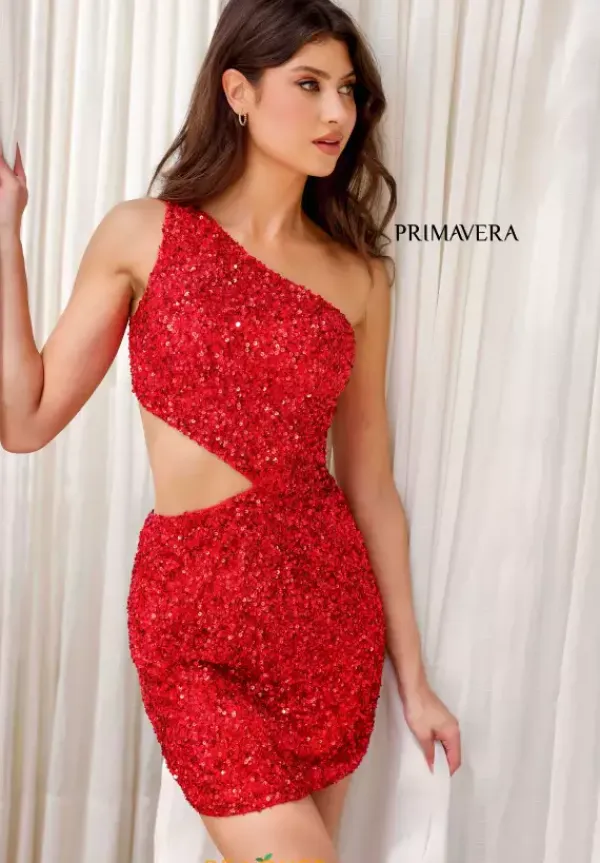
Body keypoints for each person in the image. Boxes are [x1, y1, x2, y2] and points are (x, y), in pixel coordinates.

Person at [0, 0, 461, 861]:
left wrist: (416, 681)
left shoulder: (359, 276)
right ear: (238, 92)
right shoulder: (143, 234)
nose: (336, 112)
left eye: (348, 90)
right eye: (310, 84)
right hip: (191, 631)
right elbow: (23, 420)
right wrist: (5, 235)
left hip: (327, 626)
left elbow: (371, 484)